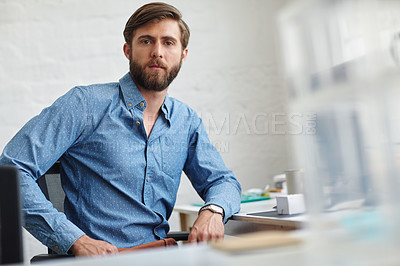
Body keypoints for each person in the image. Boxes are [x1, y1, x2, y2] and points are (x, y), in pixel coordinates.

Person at [0, 2, 241, 256]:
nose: (157, 52)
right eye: (146, 41)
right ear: (128, 50)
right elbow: (10, 171)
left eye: (168, 42)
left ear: (183, 55)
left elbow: (222, 181)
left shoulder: (186, 121)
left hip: (161, 256)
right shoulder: (85, 105)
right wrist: (75, 240)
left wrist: (213, 210)